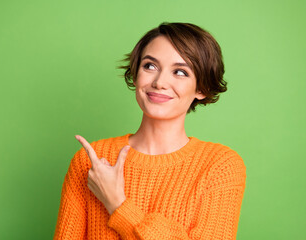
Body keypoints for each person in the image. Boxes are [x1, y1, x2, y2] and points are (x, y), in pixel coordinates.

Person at [53, 22, 247, 240]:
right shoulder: (90, 162)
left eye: (180, 72)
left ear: (202, 88)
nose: (160, 82)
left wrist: (118, 204)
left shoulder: (220, 167)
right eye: (150, 66)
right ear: (135, 75)